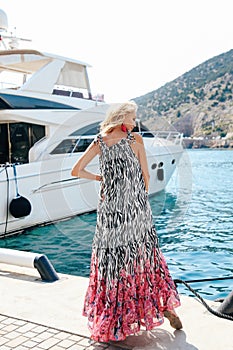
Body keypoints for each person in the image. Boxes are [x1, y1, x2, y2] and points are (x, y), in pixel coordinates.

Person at [71, 101, 182, 342]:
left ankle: (113, 320)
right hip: (135, 209)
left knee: (112, 262)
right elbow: (146, 176)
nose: (135, 122)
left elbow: (76, 170)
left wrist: (100, 178)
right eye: (132, 117)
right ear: (122, 118)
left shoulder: (100, 141)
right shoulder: (135, 140)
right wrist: (140, 202)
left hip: (110, 213)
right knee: (144, 257)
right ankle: (161, 305)